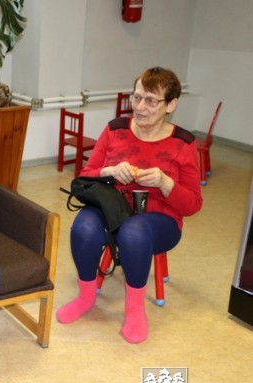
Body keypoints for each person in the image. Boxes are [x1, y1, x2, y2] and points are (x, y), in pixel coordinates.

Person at [56, 67, 203, 343]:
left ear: (171, 105)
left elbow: (193, 204)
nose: (140, 107)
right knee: (84, 226)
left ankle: (135, 311)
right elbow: (85, 175)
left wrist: (165, 183)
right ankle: (86, 297)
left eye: (151, 100)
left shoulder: (183, 143)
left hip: (161, 221)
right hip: (113, 209)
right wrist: (109, 171)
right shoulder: (115, 129)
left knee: (134, 232)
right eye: (136, 97)